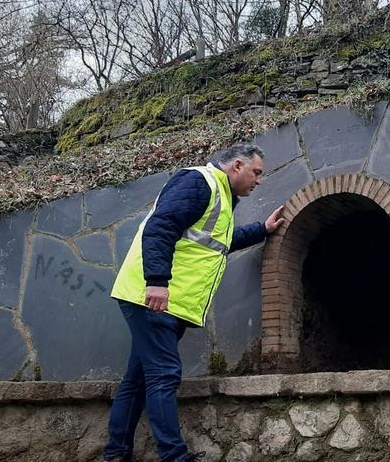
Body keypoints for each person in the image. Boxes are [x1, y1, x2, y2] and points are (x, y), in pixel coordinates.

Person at [103, 143, 285, 462]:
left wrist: (262, 230)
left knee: (139, 379)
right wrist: (157, 282)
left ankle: (116, 453)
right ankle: (174, 456)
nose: (259, 181)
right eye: (257, 173)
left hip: (167, 302)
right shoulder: (199, 183)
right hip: (155, 297)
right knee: (165, 374)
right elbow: (161, 228)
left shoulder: (221, 199)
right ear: (237, 166)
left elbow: (217, 243)